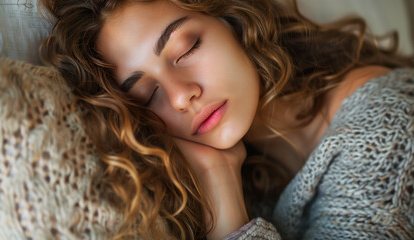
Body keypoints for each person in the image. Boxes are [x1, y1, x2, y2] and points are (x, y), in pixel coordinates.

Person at [39, 0, 414, 239]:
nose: (180, 95)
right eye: (147, 95)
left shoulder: (387, 135)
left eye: (186, 48)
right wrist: (219, 176)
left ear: (234, 18)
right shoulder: (250, 171)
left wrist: (228, 214)